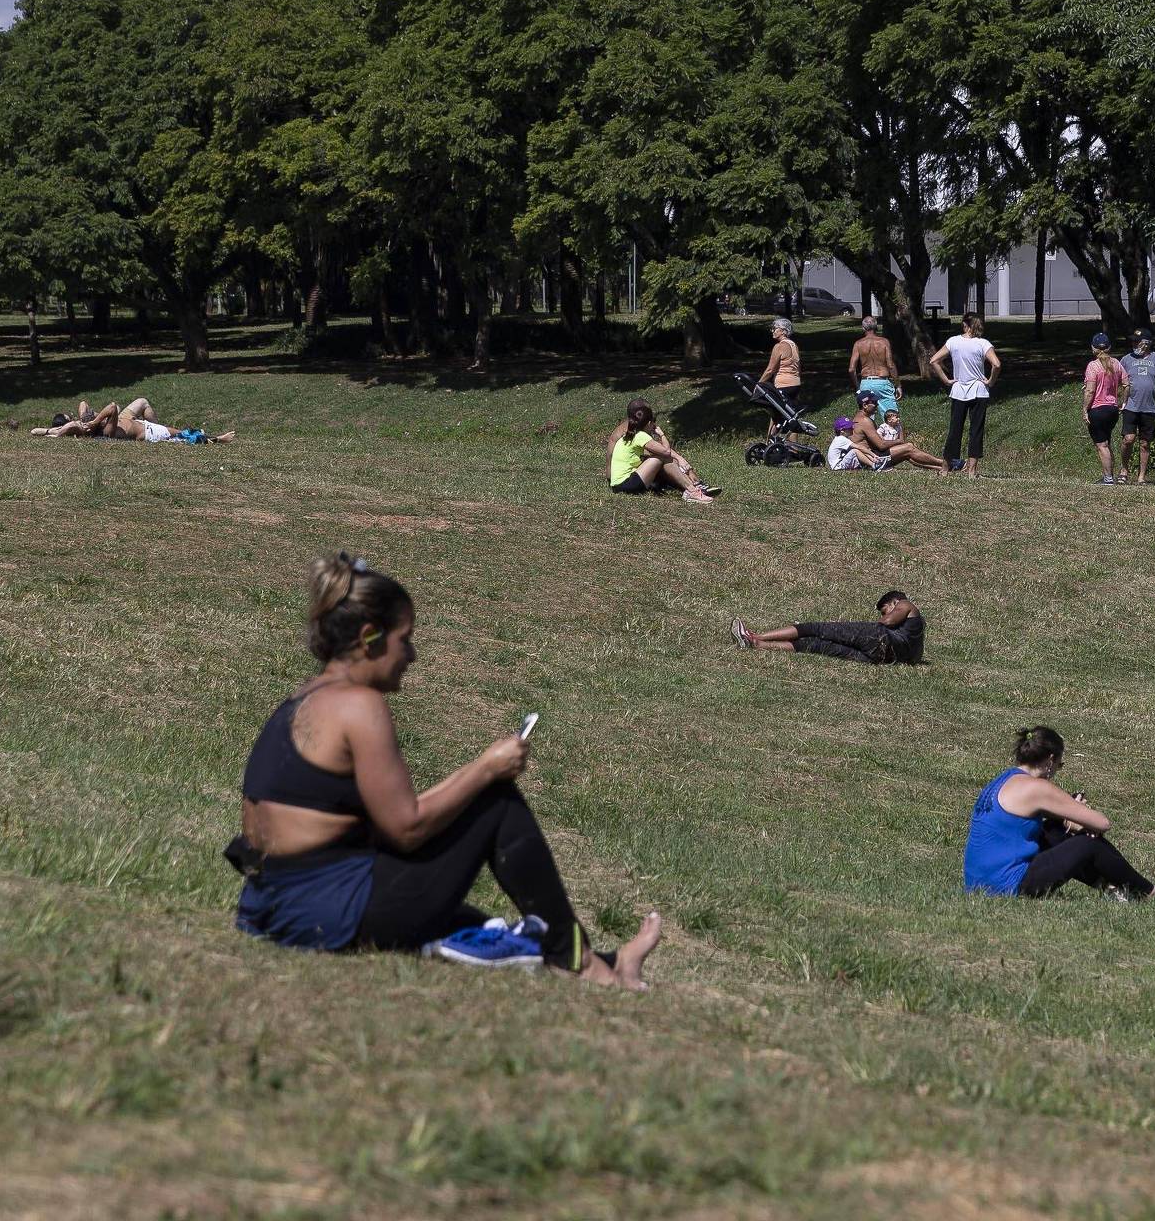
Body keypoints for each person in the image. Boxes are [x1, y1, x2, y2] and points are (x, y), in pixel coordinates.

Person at [229, 552, 661, 988]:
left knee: (475, 920)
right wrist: (486, 771)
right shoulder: (359, 706)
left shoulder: (303, 702)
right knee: (496, 804)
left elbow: (383, 822)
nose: (412, 656)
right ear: (370, 637)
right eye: (406, 639)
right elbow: (407, 829)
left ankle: (602, 958)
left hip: (272, 906)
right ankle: (586, 966)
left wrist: (478, 772)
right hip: (328, 914)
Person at [961, 725, 1155, 900]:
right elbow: (1102, 823)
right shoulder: (1036, 787)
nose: (1056, 771)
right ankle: (1148, 892)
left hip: (977, 882)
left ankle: (1113, 888)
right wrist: (1078, 817)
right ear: (1050, 760)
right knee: (1088, 844)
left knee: (1055, 830)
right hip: (1006, 885)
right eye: (1059, 765)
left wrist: (1068, 820)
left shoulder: (1006, 779)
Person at [732, 589, 926, 663]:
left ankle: (757, 636)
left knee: (817, 629)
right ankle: (758, 645)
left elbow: (887, 622)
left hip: (879, 638)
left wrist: (854, 626)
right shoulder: (918, 637)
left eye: (886, 609)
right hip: (882, 657)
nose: (886, 613)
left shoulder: (905, 604)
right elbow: (914, 659)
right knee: (818, 646)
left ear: (894, 603)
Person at [928, 312, 1000, 476]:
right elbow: (996, 364)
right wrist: (990, 381)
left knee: (955, 429)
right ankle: (972, 472)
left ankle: (945, 469)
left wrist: (946, 380)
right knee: (976, 430)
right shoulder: (983, 343)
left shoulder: (953, 341)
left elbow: (934, 361)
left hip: (959, 390)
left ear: (964, 324)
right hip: (978, 391)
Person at [607, 401, 715, 503]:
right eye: (654, 423)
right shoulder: (641, 436)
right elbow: (666, 452)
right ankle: (692, 491)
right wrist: (662, 434)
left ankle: (690, 486)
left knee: (659, 458)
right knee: (663, 457)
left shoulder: (630, 435)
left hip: (618, 486)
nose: (654, 426)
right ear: (649, 423)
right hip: (625, 485)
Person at [31, 397, 235, 443]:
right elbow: (112, 407)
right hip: (148, 432)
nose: (77, 419)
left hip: (135, 422)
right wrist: (91, 423)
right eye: (73, 421)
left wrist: (48, 431)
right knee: (183, 434)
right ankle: (217, 439)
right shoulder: (105, 431)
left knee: (142, 402)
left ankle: (214, 438)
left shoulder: (95, 425)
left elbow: (83, 404)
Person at [1118, 327, 1155, 485]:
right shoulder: (1126, 359)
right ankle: (1124, 469)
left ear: (1147, 343)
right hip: (1130, 406)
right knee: (1128, 439)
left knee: (1145, 443)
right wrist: (1117, 399)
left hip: (1150, 408)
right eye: (1133, 341)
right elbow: (1117, 381)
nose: (1134, 343)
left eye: (1137, 341)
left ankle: (1141, 476)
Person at [848, 391, 946, 470]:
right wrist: (899, 441)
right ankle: (946, 463)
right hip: (870, 459)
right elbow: (881, 446)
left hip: (871, 455)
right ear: (865, 405)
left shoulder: (860, 418)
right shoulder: (865, 421)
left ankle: (940, 467)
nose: (877, 405)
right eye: (874, 403)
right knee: (909, 447)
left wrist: (899, 429)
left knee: (907, 454)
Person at [1080, 332, 1128, 484]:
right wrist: (1123, 402)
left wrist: (1084, 409)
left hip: (1098, 410)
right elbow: (1126, 385)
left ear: (1093, 348)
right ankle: (1109, 476)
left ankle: (1108, 479)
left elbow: (1090, 391)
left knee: (1101, 445)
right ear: (1109, 347)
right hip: (1112, 410)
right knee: (1106, 443)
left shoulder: (1093, 366)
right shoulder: (1117, 364)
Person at [759, 318, 805, 433]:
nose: (772, 331)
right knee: (791, 417)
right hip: (795, 384)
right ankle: (793, 447)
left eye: (775, 328)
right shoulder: (794, 345)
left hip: (783, 385)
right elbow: (798, 367)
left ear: (783, 331)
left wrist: (759, 384)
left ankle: (769, 443)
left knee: (776, 416)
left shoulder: (779, 346)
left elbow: (770, 369)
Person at [848, 314, 900, 417]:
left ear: (863, 328)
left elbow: (851, 369)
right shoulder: (884, 342)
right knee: (892, 417)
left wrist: (858, 386)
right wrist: (898, 384)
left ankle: (869, 433)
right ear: (876, 327)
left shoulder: (858, 344)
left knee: (867, 419)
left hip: (866, 382)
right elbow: (890, 365)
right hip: (882, 382)